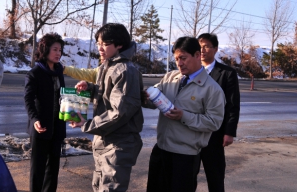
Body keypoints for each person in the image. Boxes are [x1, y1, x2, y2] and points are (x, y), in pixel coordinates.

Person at [145, 36, 225, 192]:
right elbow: (153, 99)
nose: (179, 63)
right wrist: (144, 97)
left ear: (197, 55)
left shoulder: (212, 89)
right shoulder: (170, 78)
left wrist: (184, 116)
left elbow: (214, 122)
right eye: (176, 59)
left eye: (183, 58)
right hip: (161, 150)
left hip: (185, 156)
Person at [70, 23, 144, 192]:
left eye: (105, 44)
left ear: (119, 44)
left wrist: (87, 124)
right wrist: (90, 89)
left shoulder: (125, 70)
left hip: (118, 143)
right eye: (98, 44)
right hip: (104, 140)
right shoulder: (107, 65)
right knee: (98, 186)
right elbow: (107, 96)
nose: (100, 48)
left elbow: (120, 112)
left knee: (110, 188)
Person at [197, 33, 241, 192]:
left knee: (215, 178)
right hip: (191, 133)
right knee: (187, 178)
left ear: (215, 49)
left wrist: (229, 132)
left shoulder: (227, 73)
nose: (202, 50)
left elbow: (233, 105)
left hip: (214, 134)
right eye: (199, 46)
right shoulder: (190, 70)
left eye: (206, 46)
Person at [24, 33, 67, 192]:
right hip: (40, 126)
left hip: (57, 126)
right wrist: (34, 119)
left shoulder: (59, 71)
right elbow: (28, 99)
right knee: (38, 168)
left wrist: (72, 110)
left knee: (53, 168)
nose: (58, 53)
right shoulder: (35, 73)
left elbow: (62, 96)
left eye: (60, 50)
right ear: (45, 50)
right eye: (55, 49)